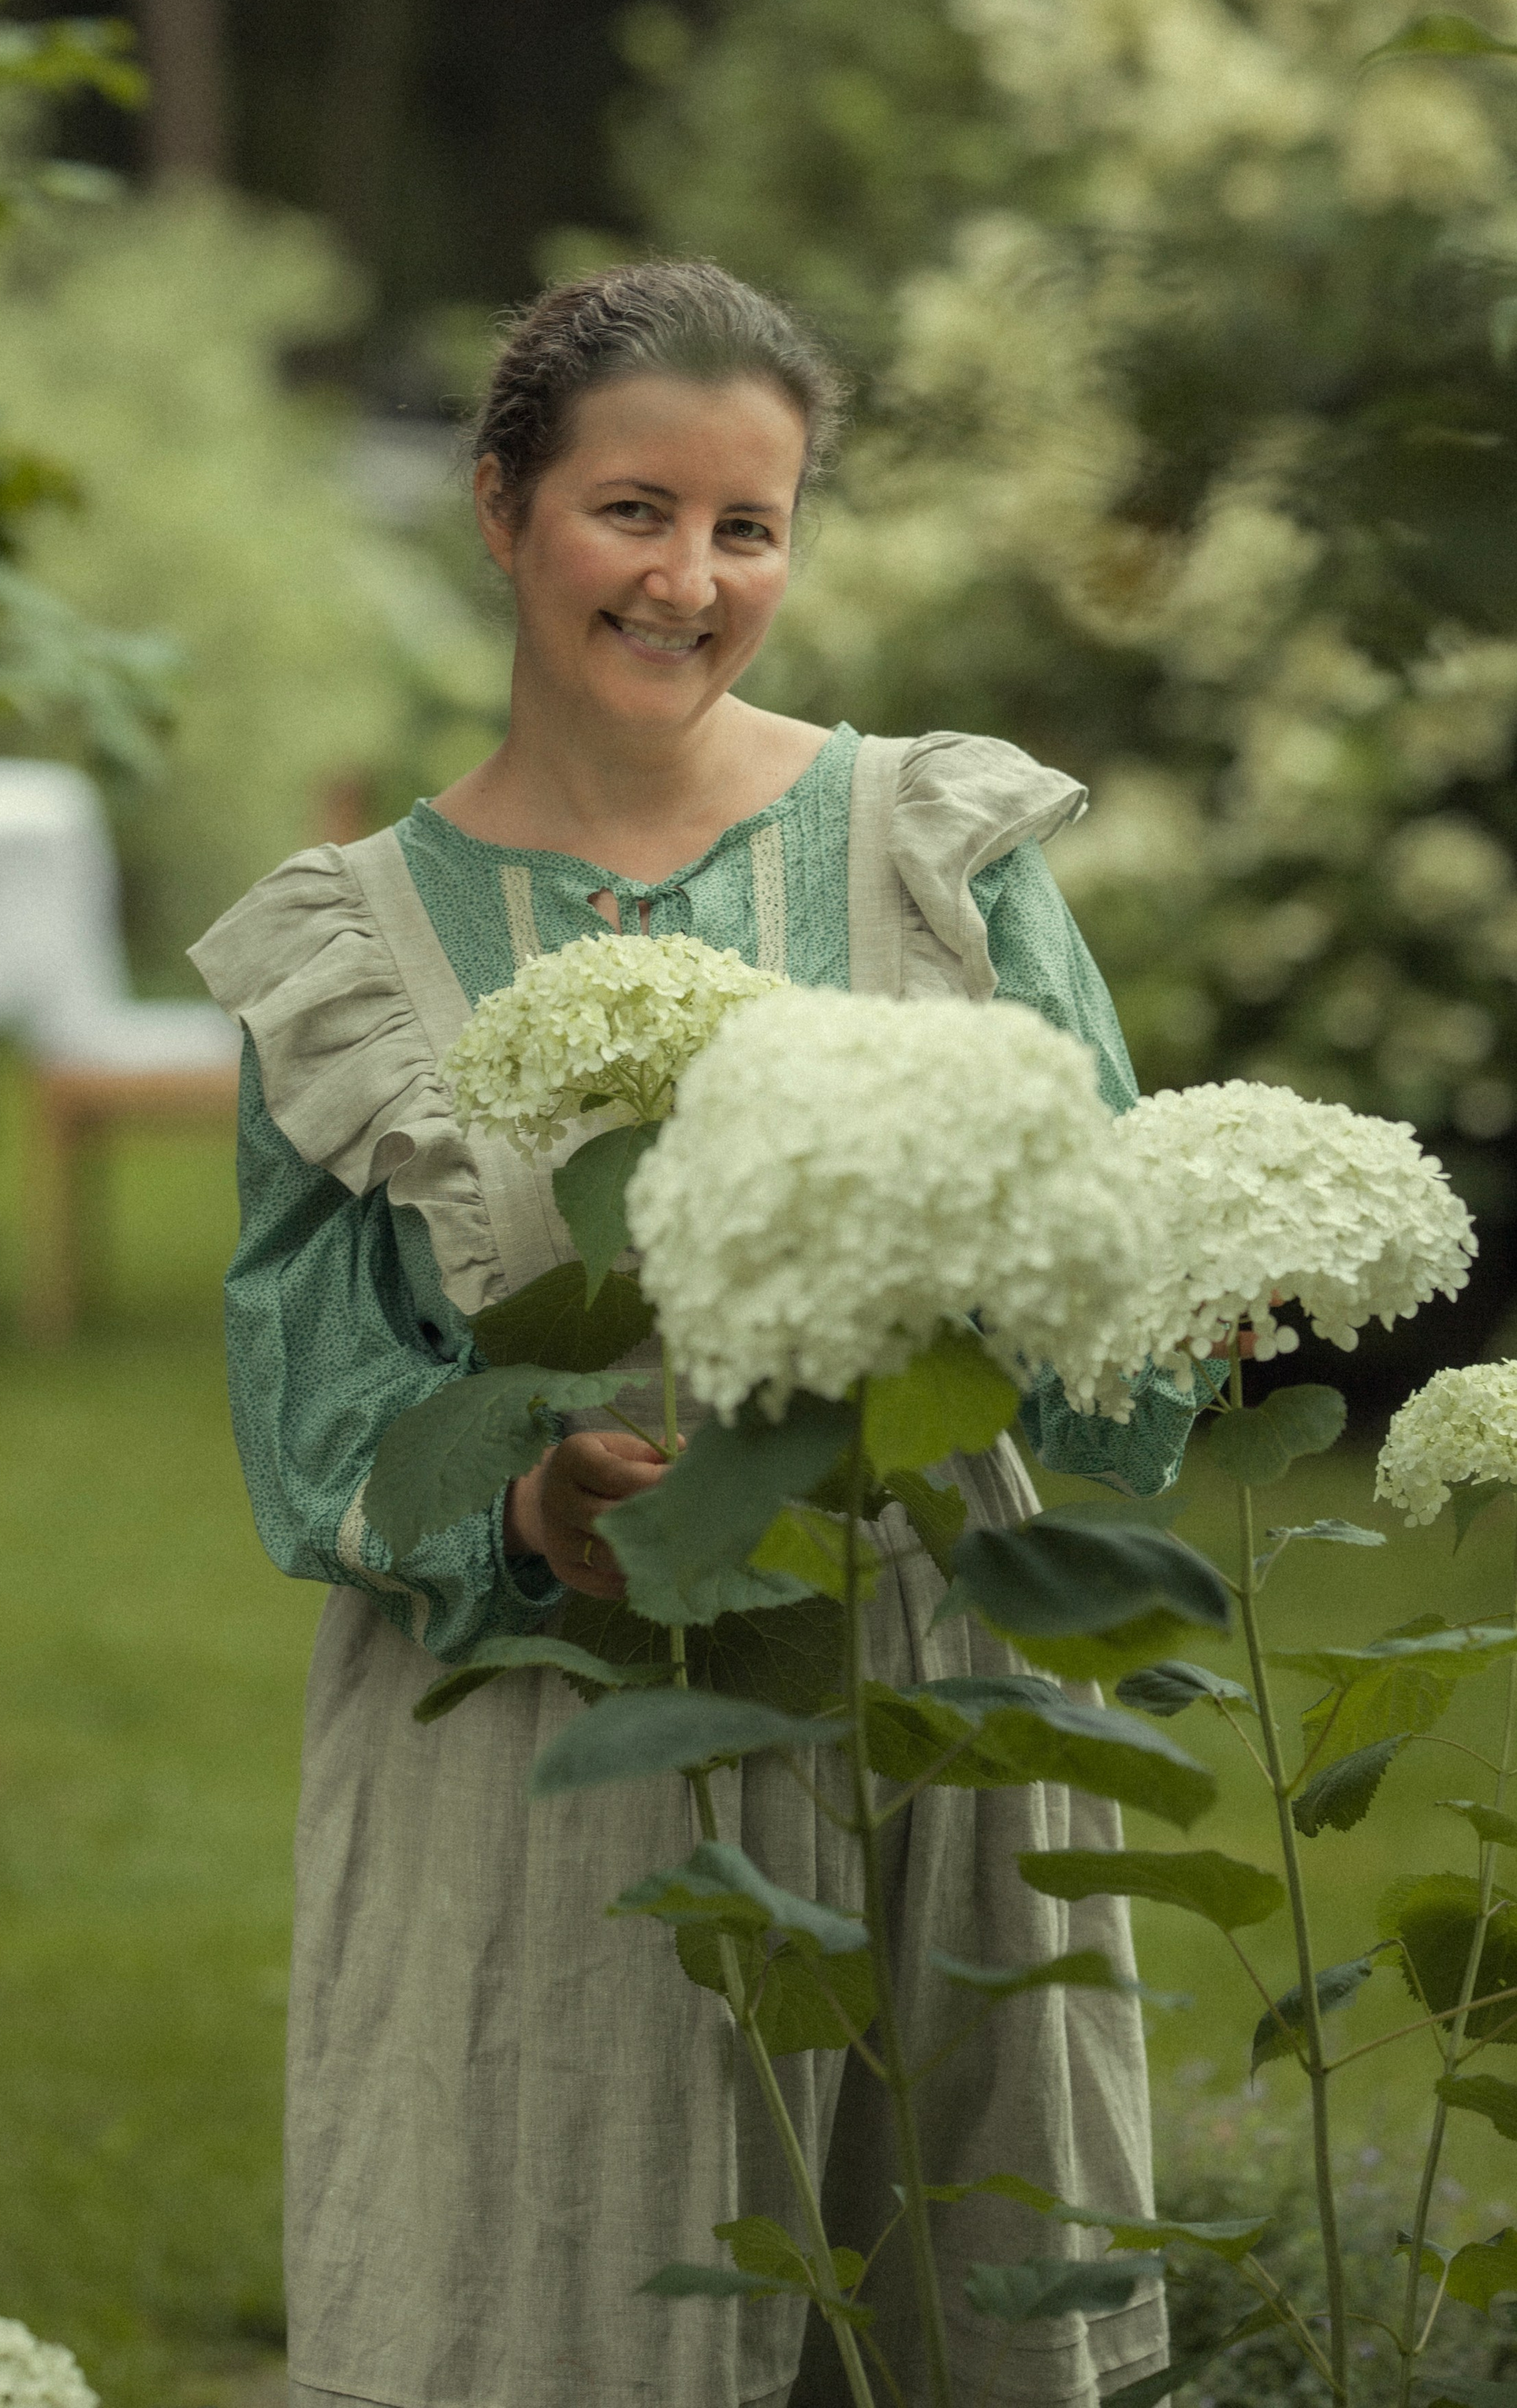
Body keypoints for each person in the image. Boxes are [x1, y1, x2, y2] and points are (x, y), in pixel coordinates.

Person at [192, 260, 1196, 2408]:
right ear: (502, 508)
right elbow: (317, 1407)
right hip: (550, 1749)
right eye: (633, 511)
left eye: (751, 525)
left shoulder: (928, 852)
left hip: (924, 1685)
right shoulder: (352, 955)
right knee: (557, 2312)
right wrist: (524, 1506)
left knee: (947, 2307)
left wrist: (1140, 1293)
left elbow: (1109, 1276)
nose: (691, 580)